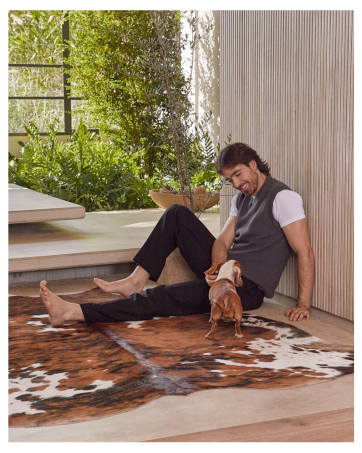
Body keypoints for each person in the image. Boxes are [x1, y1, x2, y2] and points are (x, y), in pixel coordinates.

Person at [39, 143, 314, 326]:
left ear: (254, 165)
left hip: (246, 288)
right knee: (176, 214)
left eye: (239, 175)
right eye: (230, 180)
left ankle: (75, 313)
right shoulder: (241, 199)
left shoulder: (283, 198)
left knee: (165, 297)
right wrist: (218, 271)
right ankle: (136, 280)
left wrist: (303, 304)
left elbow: (304, 252)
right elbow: (222, 241)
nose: (237, 184)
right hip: (226, 274)